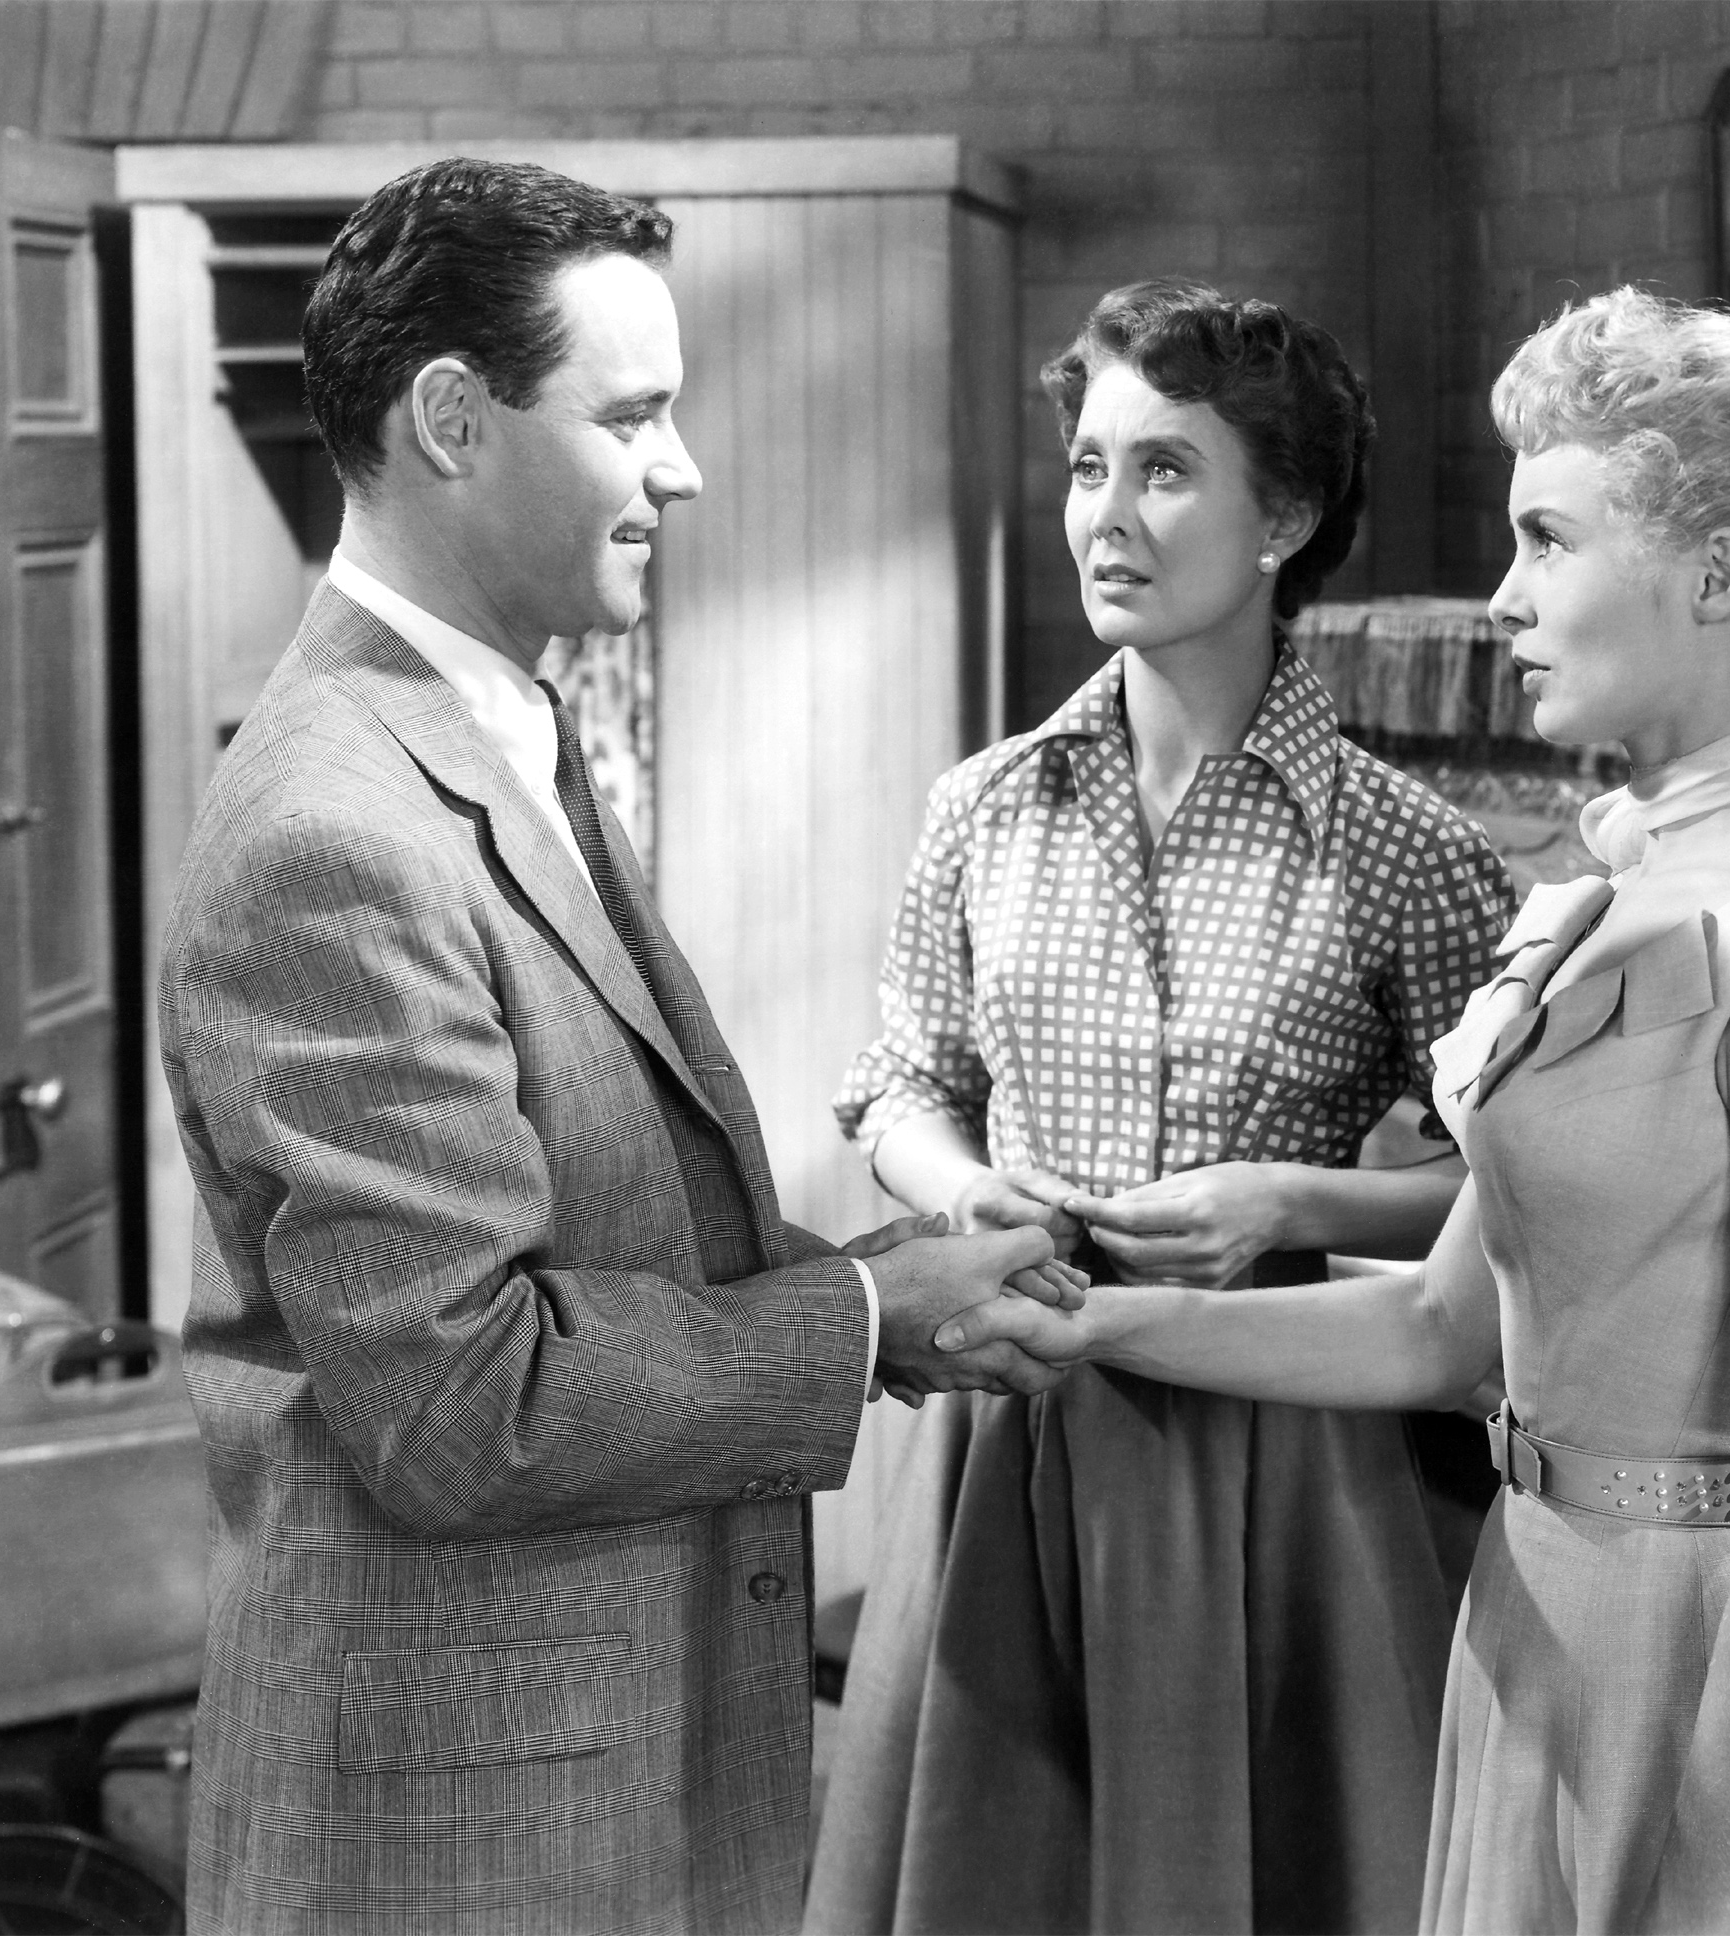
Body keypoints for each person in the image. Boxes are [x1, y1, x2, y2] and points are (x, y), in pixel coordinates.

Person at [939, 287, 1730, 1934]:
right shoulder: (1619, 886)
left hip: (1718, 1691)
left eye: (1548, 540)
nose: (1504, 595)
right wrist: (1097, 1327)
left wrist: (1703, 1898)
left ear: (1714, 575)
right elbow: (1440, 1334)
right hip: (1533, 1630)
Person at [158, 158, 1078, 1936]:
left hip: (600, 1792)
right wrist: (866, 1321)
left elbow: (599, 1226)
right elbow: (462, 1403)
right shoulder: (332, 829)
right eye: (632, 416)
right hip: (459, 1852)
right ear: (452, 420)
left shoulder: (492, 725)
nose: (684, 469)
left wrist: (885, 1277)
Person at [805, 281, 1517, 1935]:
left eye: (1166, 470)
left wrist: (1295, 1201)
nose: (1105, 517)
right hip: (1013, 1422)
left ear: (1286, 518)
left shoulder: (1408, 851)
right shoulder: (985, 806)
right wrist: (962, 1188)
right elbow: (900, 1084)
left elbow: (1521, 1184)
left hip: (1282, 1453)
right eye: (1088, 466)